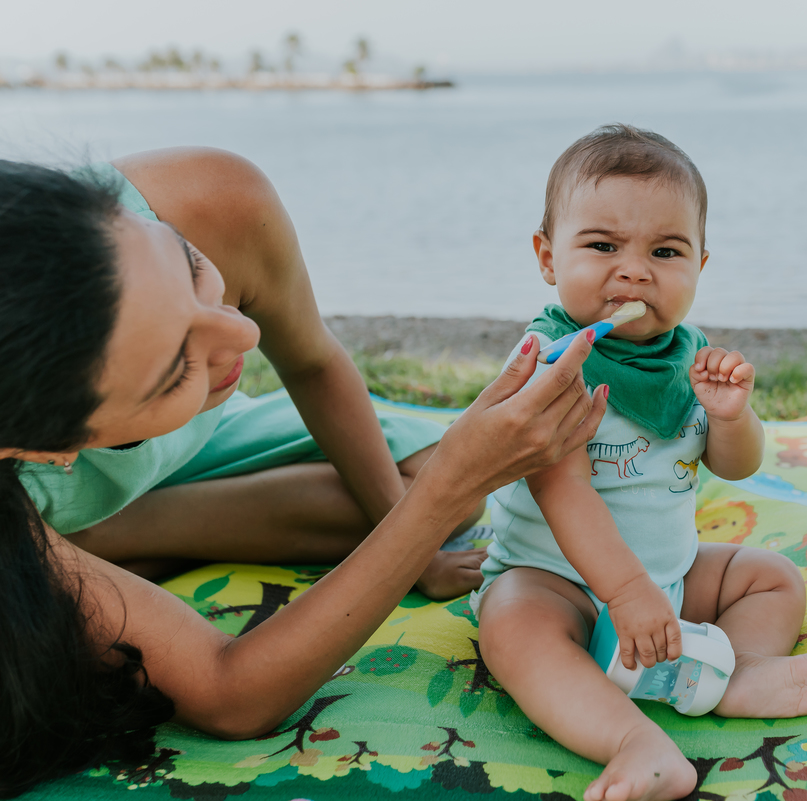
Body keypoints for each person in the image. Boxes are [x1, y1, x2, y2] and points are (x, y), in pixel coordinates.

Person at [0, 151, 607, 798]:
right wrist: (442, 490)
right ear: (44, 449)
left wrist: (430, 520)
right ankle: (70, 537)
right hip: (40, 499)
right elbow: (231, 691)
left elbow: (313, 359)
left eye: (191, 267)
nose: (239, 333)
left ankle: (113, 531)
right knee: (439, 488)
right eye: (178, 367)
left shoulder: (214, 198)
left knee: (429, 485)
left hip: (190, 444)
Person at [474, 124, 807, 801]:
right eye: (603, 245)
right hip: (561, 582)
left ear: (700, 264)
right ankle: (634, 740)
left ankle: (740, 671)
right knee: (512, 621)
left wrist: (732, 419)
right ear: (547, 256)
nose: (635, 269)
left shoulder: (684, 357)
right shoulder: (550, 360)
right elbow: (563, 489)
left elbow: (736, 467)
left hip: (668, 580)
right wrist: (624, 592)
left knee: (770, 577)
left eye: (665, 251)